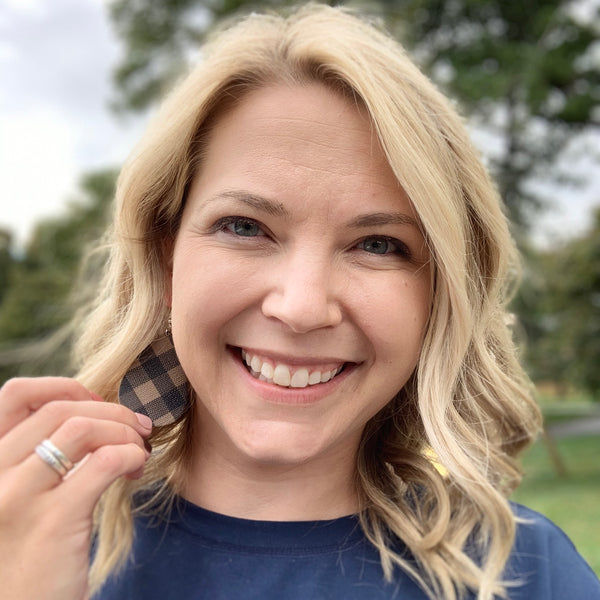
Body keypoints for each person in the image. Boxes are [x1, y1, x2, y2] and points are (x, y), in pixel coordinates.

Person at [1, 4, 598, 600]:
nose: (302, 307)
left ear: (438, 294)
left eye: (378, 244)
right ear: (167, 259)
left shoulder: (525, 574)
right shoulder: (27, 543)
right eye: (244, 227)